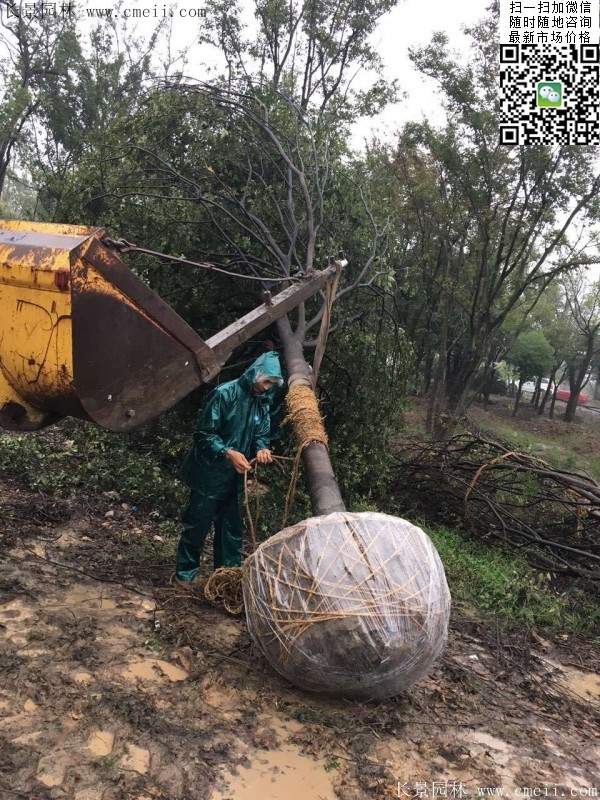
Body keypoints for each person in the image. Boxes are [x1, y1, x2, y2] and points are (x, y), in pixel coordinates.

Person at [173, 351, 284, 585]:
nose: (267, 388)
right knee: (197, 525)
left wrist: (263, 448)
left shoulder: (262, 401)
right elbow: (203, 434)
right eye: (266, 381)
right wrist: (227, 452)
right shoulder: (225, 394)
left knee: (231, 530)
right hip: (209, 474)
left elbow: (262, 434)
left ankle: (226, 579)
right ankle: (185, 576)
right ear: (255, 373)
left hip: (235, 478)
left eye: (272, 384)